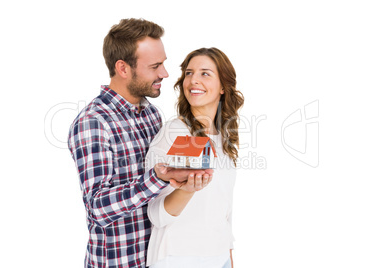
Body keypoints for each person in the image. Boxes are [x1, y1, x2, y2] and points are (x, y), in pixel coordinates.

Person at [68, 18, 212, 268]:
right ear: (123, 68)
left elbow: (163, 188)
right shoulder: (94, 123)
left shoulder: (151, 114)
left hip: (159, 259)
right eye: (155, 66)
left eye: (163, 64)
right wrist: (159, 178)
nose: (165, 74)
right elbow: (98, 208)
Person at [145, 47, 244, 268]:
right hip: (178, 258)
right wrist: (186, 190)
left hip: (219, 259)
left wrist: (229, 260)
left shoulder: (224, 137)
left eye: (205, 73)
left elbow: (224, 212)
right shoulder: (175, 133)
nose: (193, 81)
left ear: (223, 87)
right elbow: (156, 215)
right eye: (189, 73)